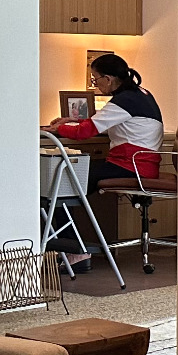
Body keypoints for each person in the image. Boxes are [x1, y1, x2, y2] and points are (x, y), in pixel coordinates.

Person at [47, 54, 164, 247]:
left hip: (130, 166)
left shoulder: (124, 100)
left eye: (96, 79)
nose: (96, 85)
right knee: (74, 177)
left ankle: (73, 249)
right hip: (142, 165)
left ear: (108, 79)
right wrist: (72, 121)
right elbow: (104, 122)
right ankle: (74, 245)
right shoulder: (139, 94)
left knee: (62, 184)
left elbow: (84, 132)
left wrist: (59, 129)